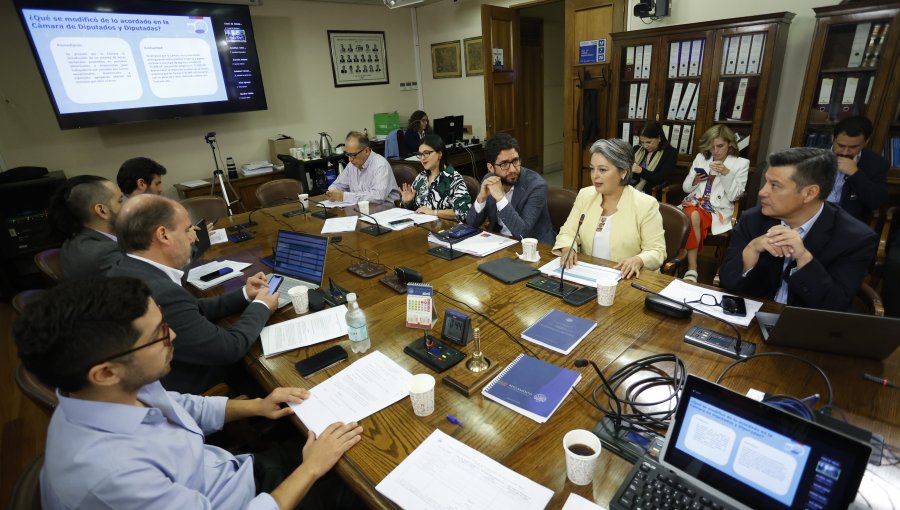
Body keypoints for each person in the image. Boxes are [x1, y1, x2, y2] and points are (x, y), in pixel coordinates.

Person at [13, 276, 363, 509]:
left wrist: (256, 406)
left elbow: (181, 405)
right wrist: (311, 470)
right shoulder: (109, 476)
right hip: (248, 499)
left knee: (339, 448)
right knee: (362, 488)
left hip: (230, 471)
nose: (174, 337)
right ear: (105, 372)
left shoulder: (105, 390)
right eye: (160, 333)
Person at [107, 194, 280, 394]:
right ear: (163, 235)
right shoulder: (160, 291)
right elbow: (228, 349)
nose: (193, 238)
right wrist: (262, 307)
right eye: (188, 229)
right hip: (198, 386)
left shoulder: (126, 267)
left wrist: (245, 295)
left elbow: (191, 308)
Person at [719, 147, 877, 311]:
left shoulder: (855, 238)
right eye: (766, 182)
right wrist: (751, 250)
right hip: (752, 318)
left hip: (806, 326)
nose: (762, 192)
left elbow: (835, 305)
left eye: (775, 185)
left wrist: (803, 258)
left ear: (809, 193)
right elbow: (727, 283)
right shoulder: (752, 220)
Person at [553, 138, 666, 279]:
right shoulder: (585, 195)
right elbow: (567, 233)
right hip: (588, 275)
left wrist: (639, 260)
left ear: (623, 172)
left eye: (602, 170)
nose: (595, 176)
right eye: (592, 169)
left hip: (627, 279)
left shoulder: (646, 204)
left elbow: (657, 251)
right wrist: (567, 248)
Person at [679, 125, 749, 283]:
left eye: (720, 146)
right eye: (711, 147)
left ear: (730, 144)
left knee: (691, 215)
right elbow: (685, 188)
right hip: (694, 203)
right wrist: (695, 181)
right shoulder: (701, 158)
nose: (715, 151)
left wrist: (726, 174)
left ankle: (691, 268)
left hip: (715, 209)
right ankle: (691, 268)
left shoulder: (741, 164)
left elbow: (735, 195)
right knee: (692, 214)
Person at [464, 133, 555, 244]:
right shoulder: (489, 180)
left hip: (535, 247)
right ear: (491, 167)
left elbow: (522, 233)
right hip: (499, 242)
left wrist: (500, 198)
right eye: (504, 164)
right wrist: (481, 199)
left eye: (515, 161)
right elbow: (471, 224)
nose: (512, 169)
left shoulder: (537, 186)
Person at [48, 175, 124, 280]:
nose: (126, 206)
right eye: (120, 201)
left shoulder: (75, 240)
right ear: (102, 211)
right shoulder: (106, 253)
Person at [826, 115, 888, 223]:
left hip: (844, 223)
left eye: (853, 147)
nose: (845, 152)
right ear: (833, 138)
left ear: (866, 142)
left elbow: (875, 202)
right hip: (808, 217)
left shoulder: (876, 163)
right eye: (840, 145)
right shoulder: (812, 155)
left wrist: (855, 174)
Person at [399, 134, 471, 222]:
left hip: (445, 230)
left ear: (440, 154)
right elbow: (414, 210)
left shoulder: (453, 178)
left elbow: (464, 212)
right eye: (420, 154)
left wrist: (434, 212)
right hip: (420, 227)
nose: (422, 158)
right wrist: (407, 202)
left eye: (426, 153)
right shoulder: (421, 178)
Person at [325, 131, 400, 204]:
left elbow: (378, 197)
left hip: (385, 210)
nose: (350, 159)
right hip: (360, 209)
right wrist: (331, 193)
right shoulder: (352, 165)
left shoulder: (380, 165)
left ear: (366, 151)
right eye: (348, 154)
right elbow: (338, 184)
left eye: (353, 155)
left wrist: (345, 196)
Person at [630, 122, 678, 192]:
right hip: (631, 188)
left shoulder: (670, 153)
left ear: (659, 138)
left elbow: (660, 178)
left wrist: (640, 170)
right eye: (642, 142)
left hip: (651, 193)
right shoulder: (637, 149)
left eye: (648, 142)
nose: (645, 146)